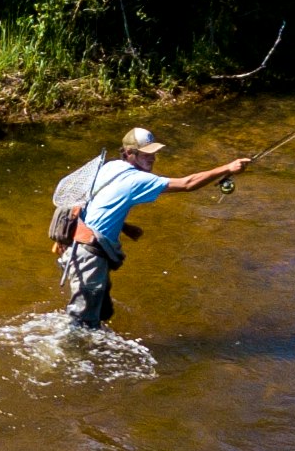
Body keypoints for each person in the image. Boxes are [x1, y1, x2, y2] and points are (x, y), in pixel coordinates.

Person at [51, 127, 249, 328]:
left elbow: (96, 203)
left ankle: (88, 347)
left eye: (154, 153)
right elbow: (188, 183)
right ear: (130, 153)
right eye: (147, 154)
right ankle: (64, 352)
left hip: (76, 246)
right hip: (89, 255)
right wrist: (227, 169)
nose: (153, 158)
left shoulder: (109, 167)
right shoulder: (138, 179)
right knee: (82, 323)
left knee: (102, 312)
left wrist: (124, 226)